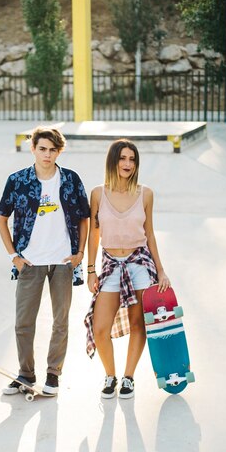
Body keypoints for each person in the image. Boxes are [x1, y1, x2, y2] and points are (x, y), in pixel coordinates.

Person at [0, 126, 90, 396]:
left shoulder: (70, 179)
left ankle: (53, 375)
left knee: (60, 321)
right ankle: (25, 374)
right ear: (33, 149)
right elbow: (1, 219)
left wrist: (80, 253)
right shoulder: (17, 180)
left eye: (52, 150)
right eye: (42, 149)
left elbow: (84, 217)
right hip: (30, 262)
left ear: (59, 151)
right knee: (23, 322)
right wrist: (14, 255)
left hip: (63, 262)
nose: (47, 155)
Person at [84, 138, 170, 399]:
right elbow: (94, 234)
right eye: (122, 158)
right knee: (100, 327)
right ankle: (110, 376)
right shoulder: (98, 193)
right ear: (113, 160)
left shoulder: (145, 194)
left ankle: (128, 378)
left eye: (132, 159)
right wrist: (90, 270)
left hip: (140, 264)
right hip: (111, 265)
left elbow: (150, 234)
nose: (128, 163)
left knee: (138, 325)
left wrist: (161, 270)